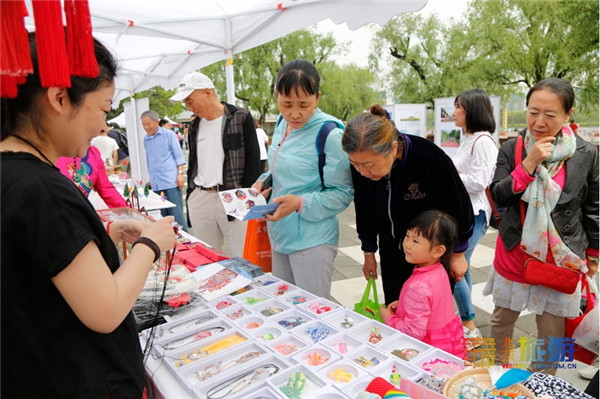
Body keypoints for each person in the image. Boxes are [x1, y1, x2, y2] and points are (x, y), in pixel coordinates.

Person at [1, 32, 176, 397]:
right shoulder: (43, 190)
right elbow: (106, 309)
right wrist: (150, 244)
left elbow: (38, 267)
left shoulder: (13, 175)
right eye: (103, 108)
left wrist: (104, 236)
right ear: (60, 99)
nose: (102, 127)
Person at [483, 78, 598, 375]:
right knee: (500, 321)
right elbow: (498, 194)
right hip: (515, 252)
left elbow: (593, 207)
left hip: (560, 258)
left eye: (550, 115)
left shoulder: (587, 153)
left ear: (568, 115)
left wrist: (594, 252)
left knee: (551, 330)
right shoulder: (513, 148)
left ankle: (542, 383)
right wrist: (529, 164)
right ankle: (493, 373)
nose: (540, 122)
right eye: (533, 112)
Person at [341, 104, 474, 305]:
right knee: (397, 310)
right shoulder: (362, 165)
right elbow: (364, 208)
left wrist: (459, 253)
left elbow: (460, 206)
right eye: (354, 164)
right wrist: (369, 251)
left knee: (429, 316)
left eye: (368, 165)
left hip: (431, 256)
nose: (362, 172)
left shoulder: (428, 157)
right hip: (392, 253)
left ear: (393, 148)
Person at [251, 59, 354, 298]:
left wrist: (299, 203)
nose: (294, 113)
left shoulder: (330, 135)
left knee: (312, 315)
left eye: (304, 105)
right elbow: (282, 165)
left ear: (317, 98)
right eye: (286, 104)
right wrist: (265, 181)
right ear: (277, 96)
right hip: (279, 233)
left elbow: (342, 194)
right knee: (283, 308)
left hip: (312, 241)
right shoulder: (281, 123)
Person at [169, 72, 261, 257]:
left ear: (207, 92)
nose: (189, 107)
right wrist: (193, 195)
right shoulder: (194, 126)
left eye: (190, 100)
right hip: (201, 196)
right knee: (207, 257)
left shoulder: (240, 117)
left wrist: (247, 197)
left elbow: (254, 160)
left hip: (234, 196)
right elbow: (194, 162)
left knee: (245, 256)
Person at [380, 210, 465, 358]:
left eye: (415, 241)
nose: (407, 244)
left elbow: (413, 332)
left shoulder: (419, 284)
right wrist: (404, 305)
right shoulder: (439, 269)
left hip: (427, 349)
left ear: (438, 251)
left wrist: (388, 318)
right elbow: (431, 303)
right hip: (446, 342)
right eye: (407, 236)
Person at [451, 88, 498, 345]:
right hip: (462, 213)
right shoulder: (468, 138)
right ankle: (465, 320)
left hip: (475, 214)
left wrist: (450, 175)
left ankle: (469, 325)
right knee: (462, 266)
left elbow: (480, 181)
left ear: (472, 111)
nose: (455, 112)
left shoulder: (483, 141)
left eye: (459, 107)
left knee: (453, 267)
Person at [141, 110, 189, 231]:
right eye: (143, 125)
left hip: (170, 183)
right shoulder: (146, 139)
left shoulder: (169, 135)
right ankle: (169, 244)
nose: (146, 127)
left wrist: (180, 174)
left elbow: (178, 156)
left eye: (148, 124)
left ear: (156, 122)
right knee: (161, 217)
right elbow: (149, 160)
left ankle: (186, 244)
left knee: (176, 216)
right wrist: (150, 179)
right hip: (157, 185)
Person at [56, 144, 127, 208]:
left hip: (80, 217)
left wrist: (128, 211)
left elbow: (106, 188)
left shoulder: (93, 153)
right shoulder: (51, 153)